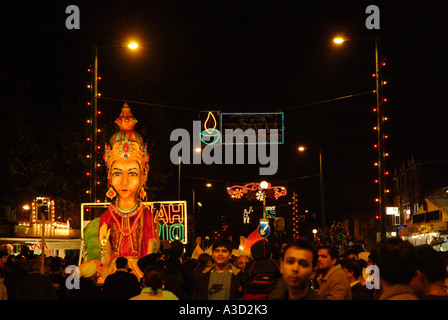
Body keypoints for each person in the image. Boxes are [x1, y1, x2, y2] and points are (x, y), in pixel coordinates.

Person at [97, 104, 158, 282]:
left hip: (139, 273)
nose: (124, 181)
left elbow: (151, 252)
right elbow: (104, 256)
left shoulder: (146, 215)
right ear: (108, 174)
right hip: (113, 272)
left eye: (132, 173)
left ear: (144, 174)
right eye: (117, 173)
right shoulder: (107, 216)